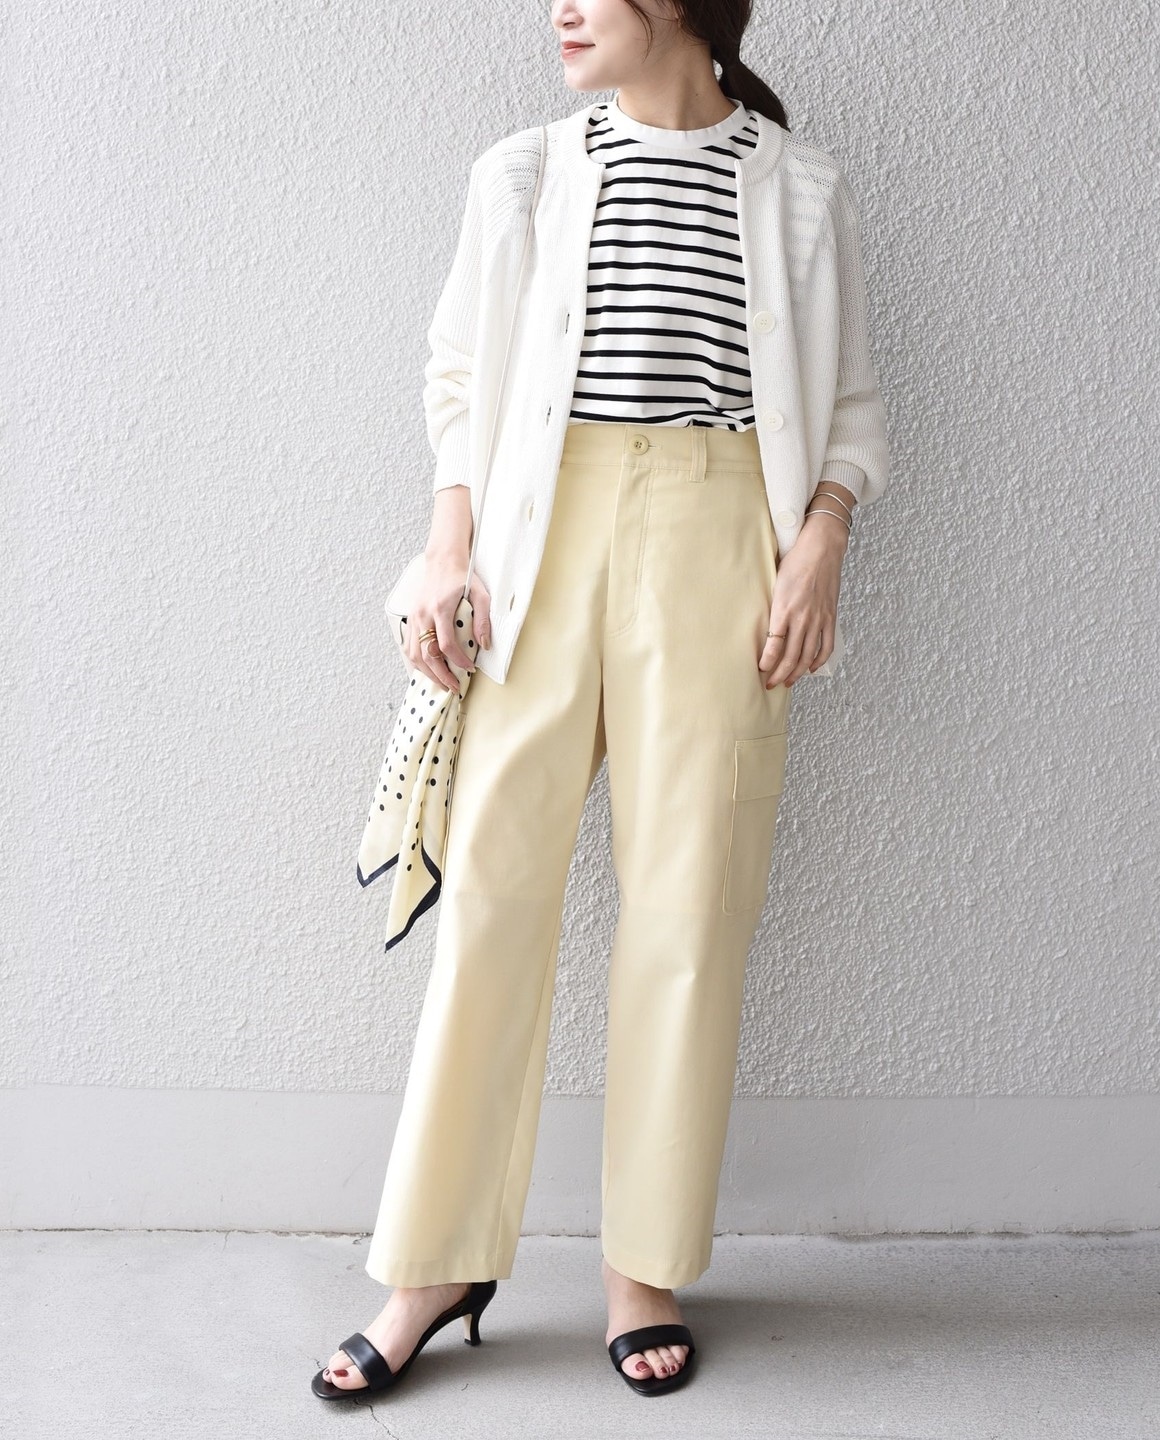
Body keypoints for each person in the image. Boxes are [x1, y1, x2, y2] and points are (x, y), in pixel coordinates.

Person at [314, 0, 889, 1403]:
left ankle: (645, 1266)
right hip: (537, 541)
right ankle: (433, 1263)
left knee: (689, 912)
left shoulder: (800, 187)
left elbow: (854, 410)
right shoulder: (524, 172)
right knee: (492, 899)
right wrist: (446, 551)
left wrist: (820, 541)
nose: (560, 10)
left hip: (719, 541)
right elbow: (461, 380)